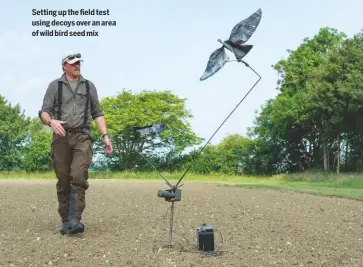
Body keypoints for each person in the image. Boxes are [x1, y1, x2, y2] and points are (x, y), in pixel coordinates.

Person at [38, 51, 113, 235]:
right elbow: (44, 112)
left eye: (79, 63)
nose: (77, 65)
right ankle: (66, 222)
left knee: (78, 176)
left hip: (82, 136)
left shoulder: (89, 86)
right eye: (73, 63)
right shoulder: (55, 86)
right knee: (63, 180)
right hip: (61, 137)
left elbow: (98, 113)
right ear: (64, 66)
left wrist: (105, 136)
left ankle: (75, 219)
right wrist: (51, 122)